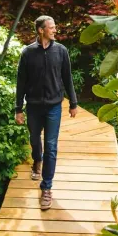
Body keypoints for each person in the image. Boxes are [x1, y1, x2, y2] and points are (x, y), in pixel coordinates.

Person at [14, 15, 77, 210]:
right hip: (33, 106)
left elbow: (67, 78)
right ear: (41, 30)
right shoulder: (28, 53)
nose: (55, 30)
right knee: (35, 139)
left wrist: (73, 102)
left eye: (55, 27)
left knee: (51, 146)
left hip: (53, 106)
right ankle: (37, 161)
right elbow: (21, 82)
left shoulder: (61, 51)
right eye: (51, 27)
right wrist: (18, 109)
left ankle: (47, 187)